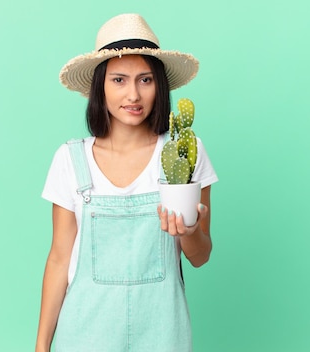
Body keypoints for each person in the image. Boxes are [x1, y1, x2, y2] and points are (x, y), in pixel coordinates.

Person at [35, 13, 218, 352]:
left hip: (163, 335)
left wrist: (189, 232)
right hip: (84, 335)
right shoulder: (70, 160)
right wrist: (41, 346)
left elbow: (201, 256)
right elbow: (59, 258)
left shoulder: (184, 153)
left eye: (145, 80)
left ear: (159, 85)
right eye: (119, 80)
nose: (133, 95)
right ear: (99, 86)